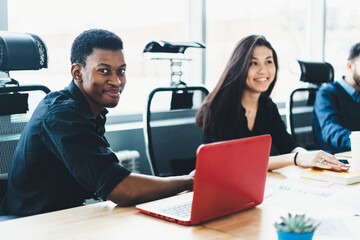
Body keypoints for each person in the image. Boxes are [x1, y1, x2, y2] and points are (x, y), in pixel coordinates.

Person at [0, 29, 194, 217]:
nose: (116, 81)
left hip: (69, 215)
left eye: (121, 71)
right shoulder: (62, 115)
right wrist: (190, 181)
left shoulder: (88, 110)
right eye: (104, 71)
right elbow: (121, 189)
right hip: (32, 224)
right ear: (77, 72)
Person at [196, 35, 344, 171]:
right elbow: (238, 162)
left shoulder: (266, 106)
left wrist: (314, 158)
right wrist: (296, 158)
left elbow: (288, 146)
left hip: (253, 183)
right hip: (220, 184)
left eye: (268, 62)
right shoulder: (219, 107)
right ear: (239, 67)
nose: (263, 70)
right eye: (253, 63)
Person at [313, 42, 360, 153]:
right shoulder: (326, 94)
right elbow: (331, 131)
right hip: (337, 160)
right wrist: (357, 143)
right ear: (350, 66)